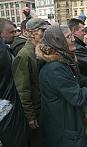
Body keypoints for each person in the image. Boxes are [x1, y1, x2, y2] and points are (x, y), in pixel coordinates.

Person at [36, 25, 87, 147]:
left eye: (72, 35)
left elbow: (70, 83)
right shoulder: (55, 67)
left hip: (64, 120)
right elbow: (76, 96)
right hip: (63, 124)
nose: (73, 39)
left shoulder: (60, 62)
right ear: (58, 41)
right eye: (68, 37)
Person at [12, 18, 48, 147]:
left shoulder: (40, 50)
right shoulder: (24, 55)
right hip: (36, 112)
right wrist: (30, 116)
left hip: (44, 107)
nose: (45, 33)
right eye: (42, 30)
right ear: (31, 33)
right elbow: (22, 89)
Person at [0, 18, 28, 147]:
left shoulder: (5, 49)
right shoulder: (3, 51)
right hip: (7, 107)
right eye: (11, 32)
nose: (15, 34)